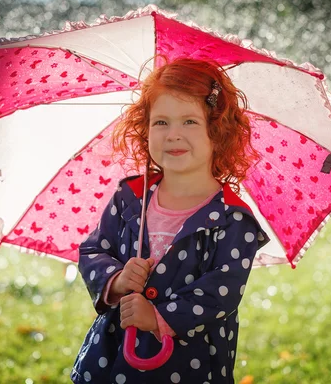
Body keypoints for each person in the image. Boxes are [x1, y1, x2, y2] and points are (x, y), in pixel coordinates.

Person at [71, 57, 269, 384]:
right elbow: (93, 250)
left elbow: (222, 291)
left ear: (217, 131)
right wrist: (117, 280)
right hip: (109, 360)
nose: (173, 134)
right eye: (160, 122)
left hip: (188, 366)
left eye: (189, 122)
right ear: (145, 129)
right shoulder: (130, 197)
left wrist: (158, 317)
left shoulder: (233, 220)